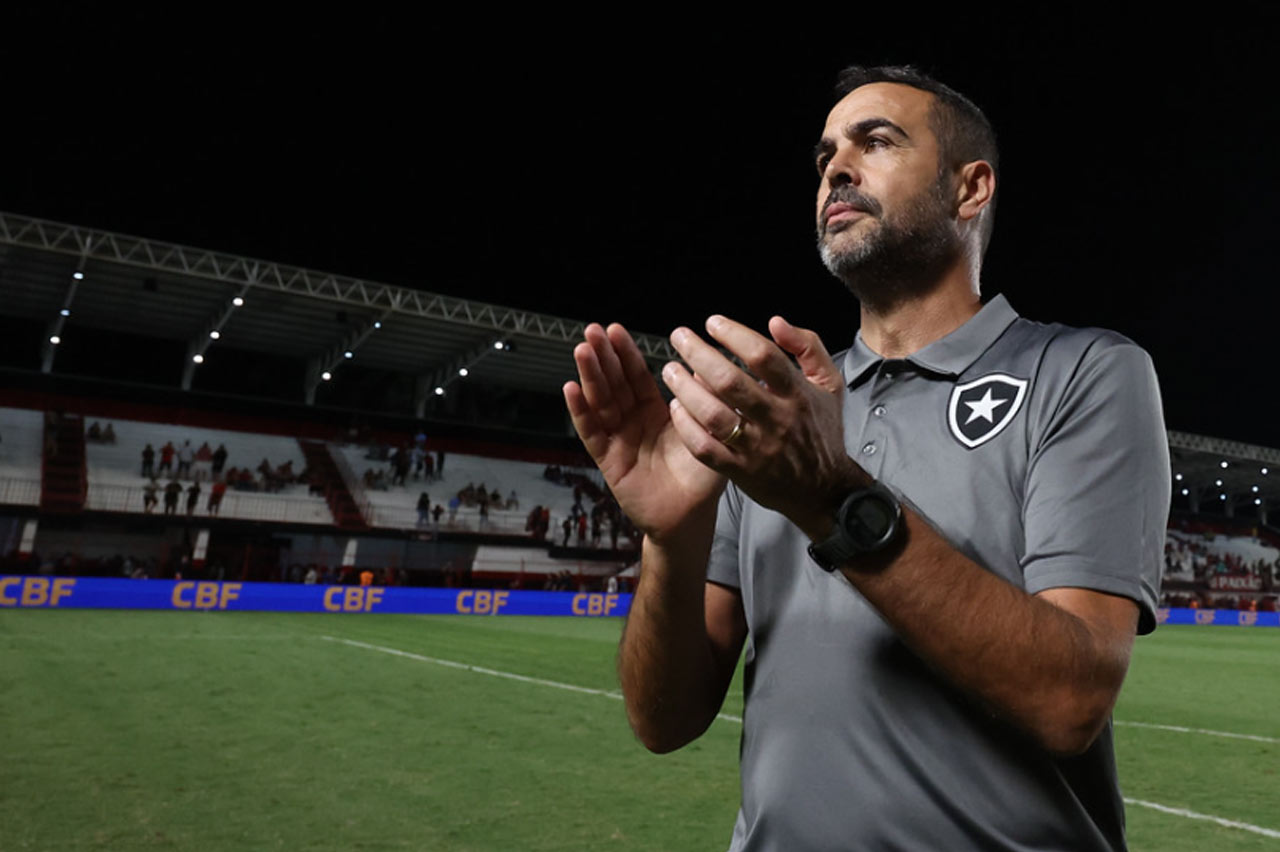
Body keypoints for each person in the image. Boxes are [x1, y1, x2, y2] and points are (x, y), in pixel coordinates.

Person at [563, 65, 1169, 851]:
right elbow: (662, 720)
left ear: (971, 188)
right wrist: (671, 539)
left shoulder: (1081, 372)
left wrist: (829, 495)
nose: (835, 170)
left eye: (876, 141)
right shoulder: (777, 415)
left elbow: (1070, 698)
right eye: (824, 158)